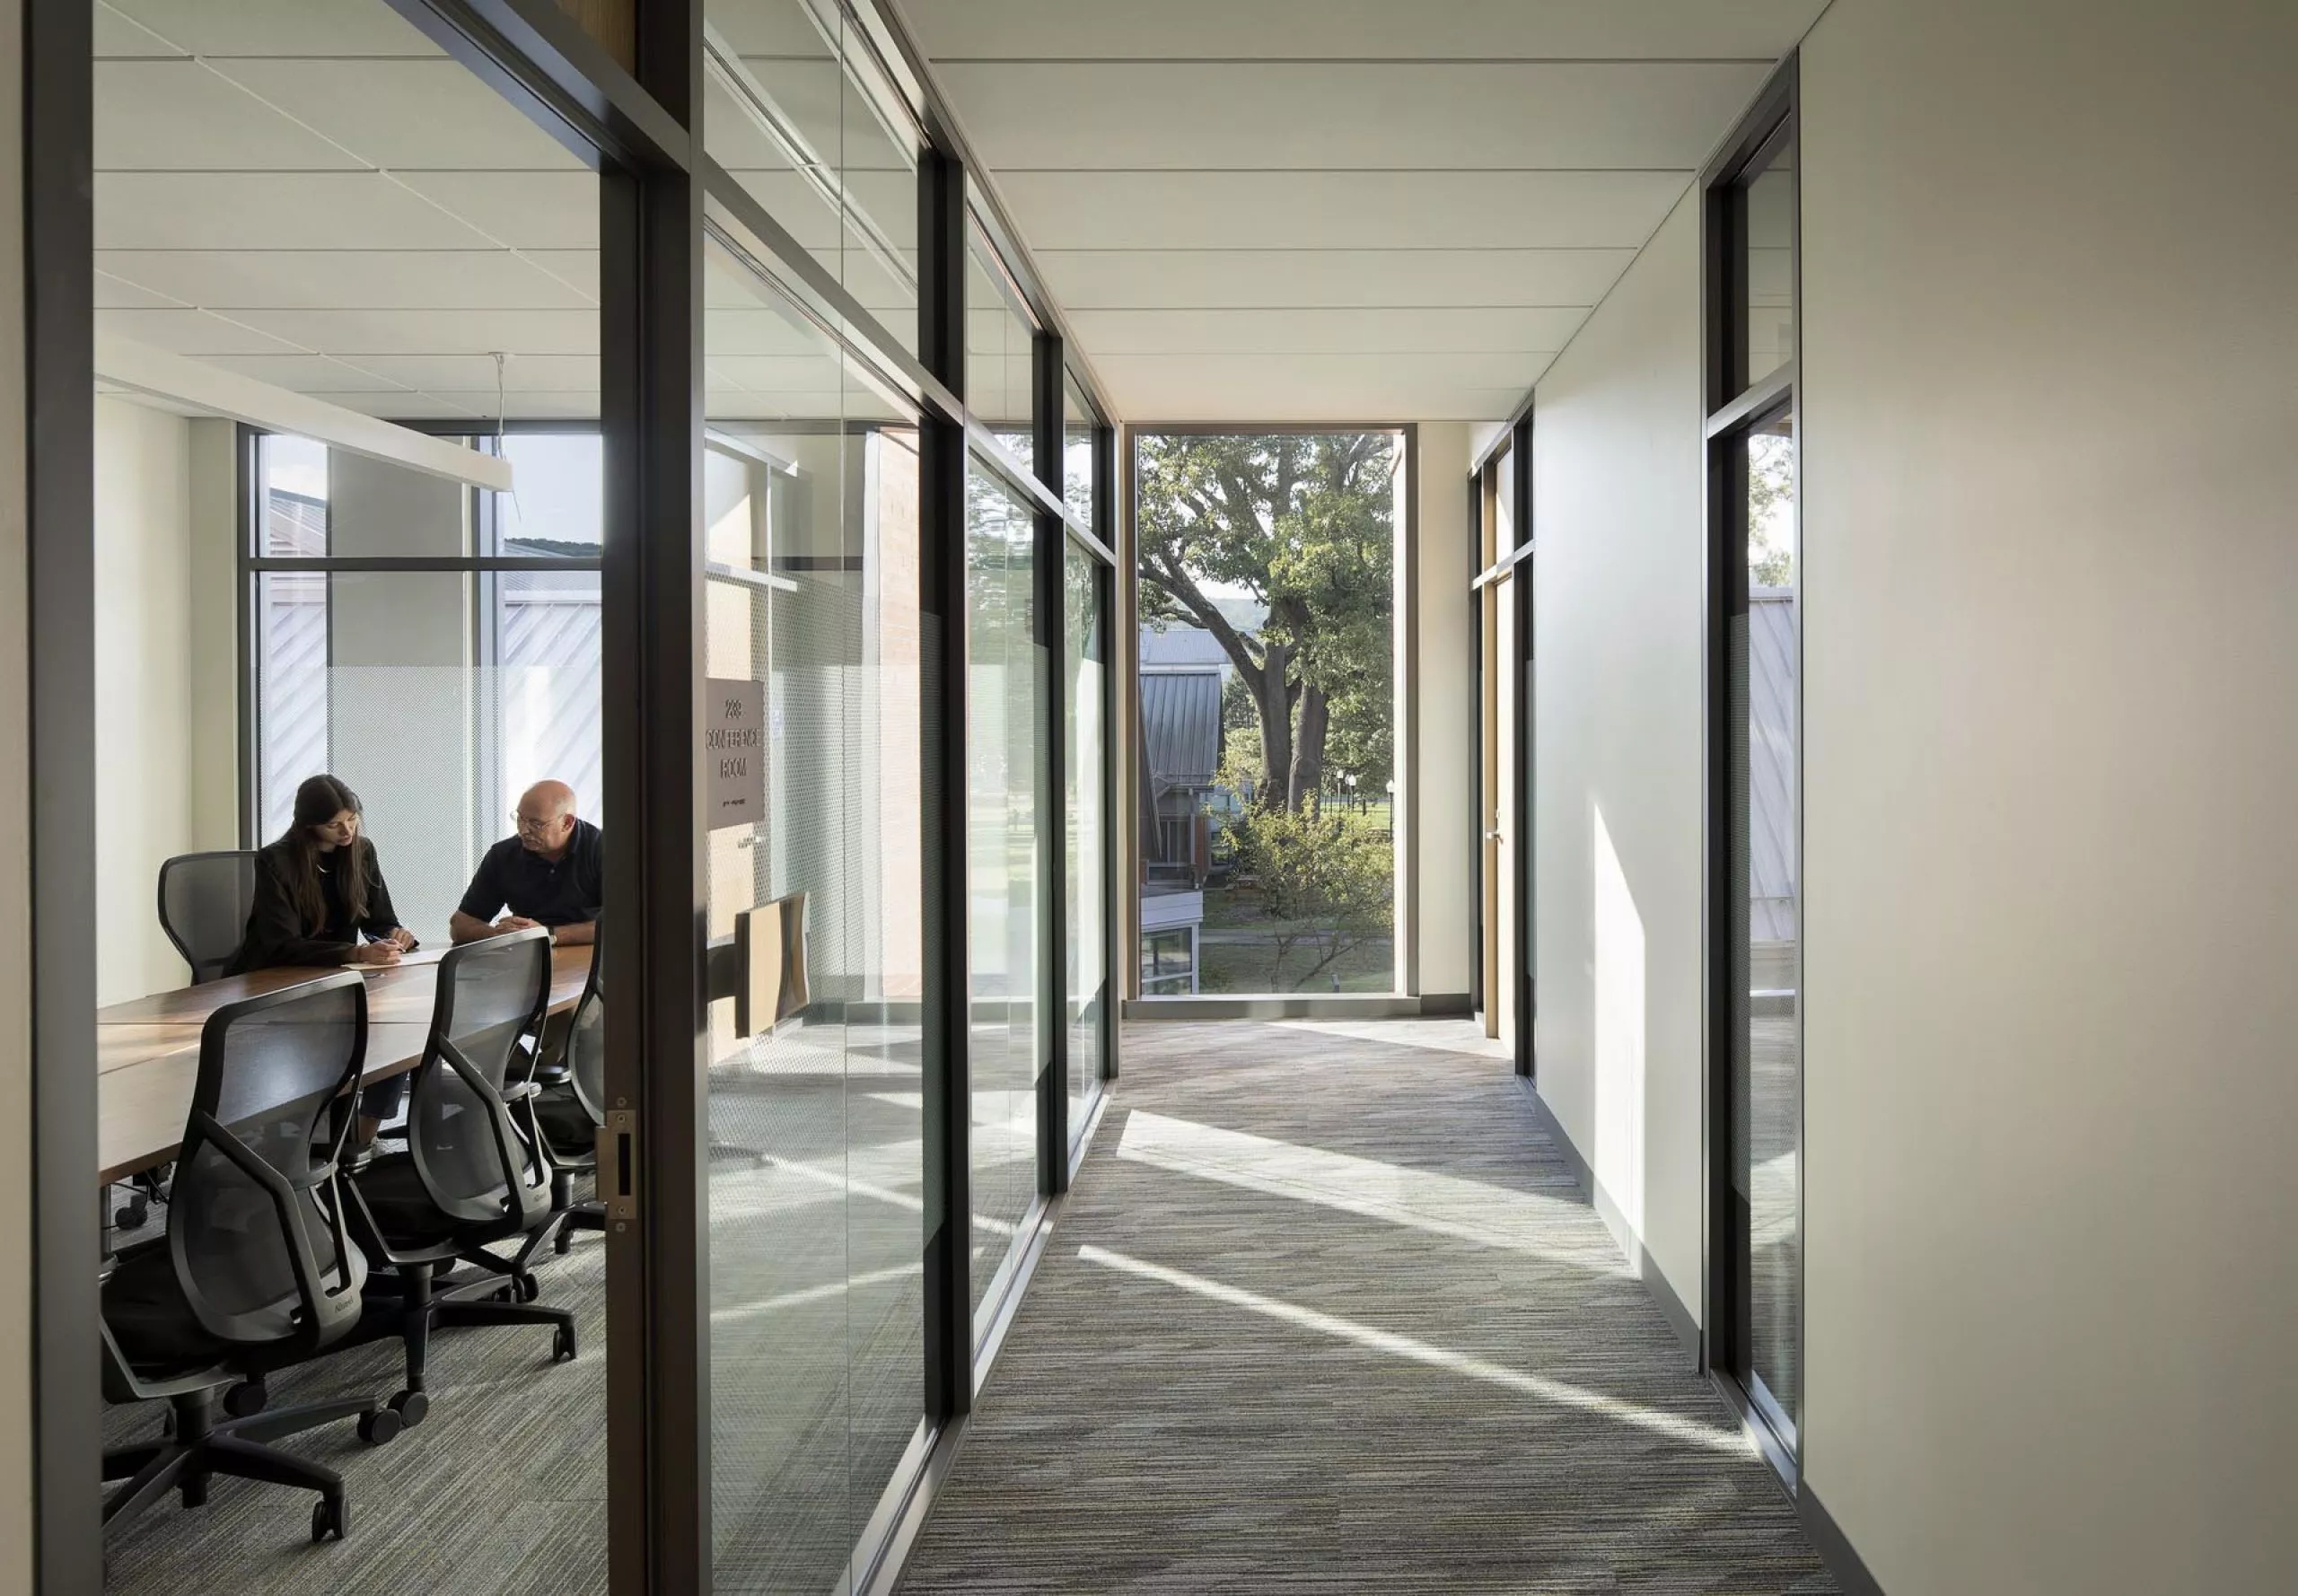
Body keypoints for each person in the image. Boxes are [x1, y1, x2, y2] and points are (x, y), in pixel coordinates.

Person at [229, 773, 416, 974]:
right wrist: (356, 953)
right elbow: (283, 946)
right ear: (309, 824)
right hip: (270, 976)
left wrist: (394, 935)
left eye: (352, 819)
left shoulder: (362, 852)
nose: (347, 831)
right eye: (333, 825)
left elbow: (379, 921)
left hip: (331, 975)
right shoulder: (275, 861)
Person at [451, 779, 602, 946]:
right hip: (528, 956)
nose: (523, 830)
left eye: (536, 824)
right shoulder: (503, 855)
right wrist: (500, 934)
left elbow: (625, 923)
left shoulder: (604, 850)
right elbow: (460, 925)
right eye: (520, 819)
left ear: (567, 823)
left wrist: (547, 935)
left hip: (591, 956)